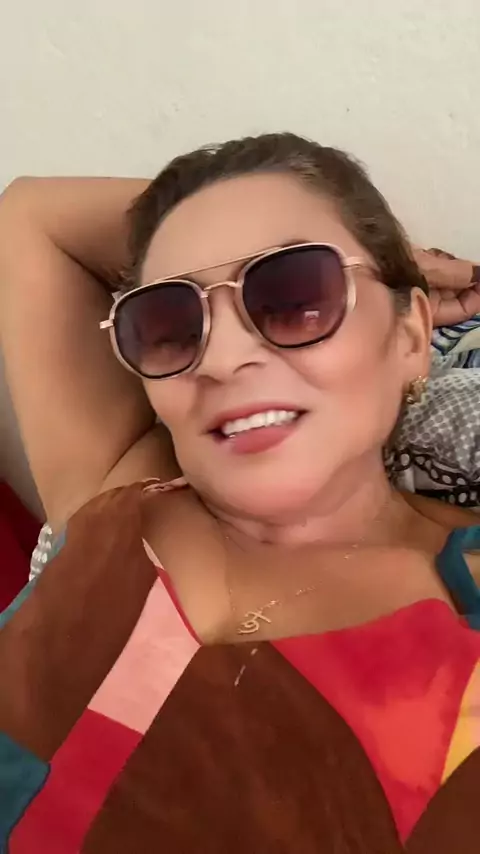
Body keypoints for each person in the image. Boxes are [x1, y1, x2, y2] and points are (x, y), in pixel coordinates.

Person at [1, 133, 480, 852]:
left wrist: (374, 257)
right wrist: (379, 256)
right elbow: (28, 215)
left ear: (410, 334)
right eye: (169, 323)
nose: (222, 359)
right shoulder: (119, 485)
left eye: (297, 295)